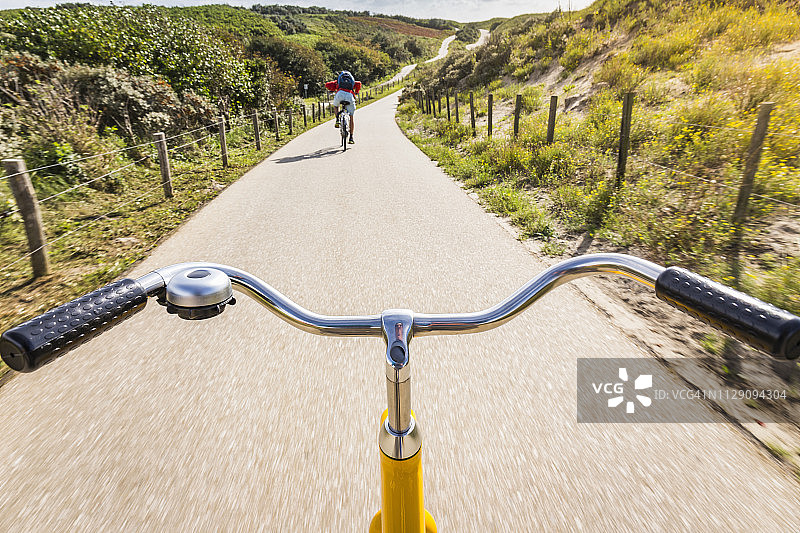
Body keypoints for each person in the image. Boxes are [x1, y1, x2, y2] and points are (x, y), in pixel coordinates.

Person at [325, 71, 361, 144]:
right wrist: (356, 92)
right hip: (350, 96)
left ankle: (337, 120)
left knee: (335, 106)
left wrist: (333, 89)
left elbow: (327, 85)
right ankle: (351, 138)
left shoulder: (338, 82)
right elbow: (359, 83)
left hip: (339, 94)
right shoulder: (353, 82)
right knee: (351, 117)